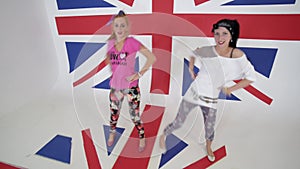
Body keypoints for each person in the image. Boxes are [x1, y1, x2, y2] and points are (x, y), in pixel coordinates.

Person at [159, 19, 256, 161]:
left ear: (232, 36)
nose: (219, 38)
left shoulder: (237, 55)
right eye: (217, 34)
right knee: (179, 121)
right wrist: (191, 70)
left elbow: (250, 77)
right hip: (193, 93)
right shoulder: (208, 50)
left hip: (210, 99)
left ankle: (208, 146)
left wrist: (231, 88)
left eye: (224, 34)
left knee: (209, 127)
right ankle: (164, 135)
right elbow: (194, 53)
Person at [106, 10, 156, 152]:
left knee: (134, 116)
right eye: (117, 25)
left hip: (131, 88)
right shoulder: (110, 43)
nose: (120, 29)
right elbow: (109, 59)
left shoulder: (132, 42)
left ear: (127, 28)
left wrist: (139, 74)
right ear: (113, 27)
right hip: (115, 88)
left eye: (123, 25)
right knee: (114, 114)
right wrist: (113, 73)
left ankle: (141, 136)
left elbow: (151, 57)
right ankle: (112, 133)